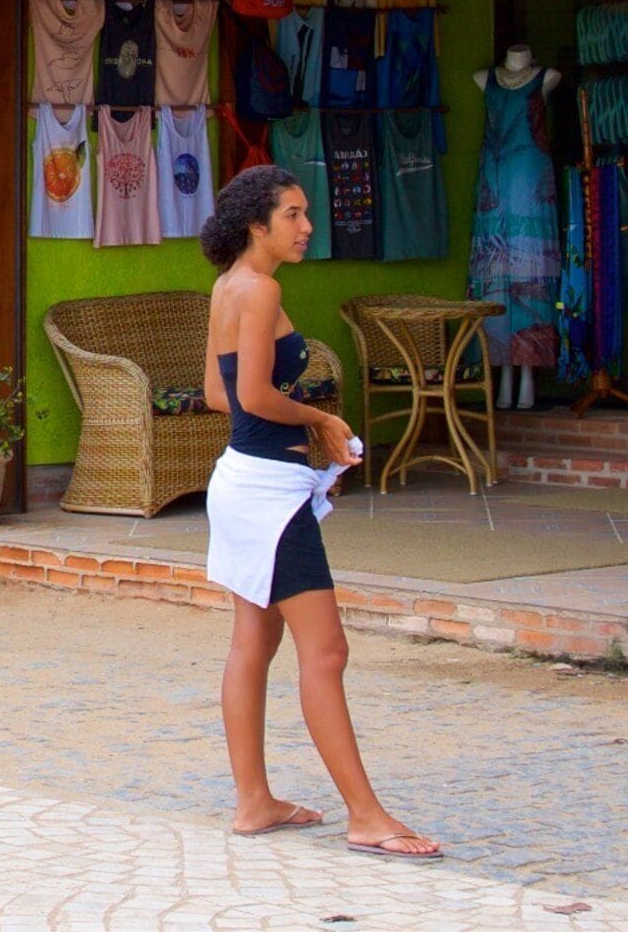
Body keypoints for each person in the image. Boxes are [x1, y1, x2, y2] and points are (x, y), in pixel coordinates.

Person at [199, 163, 435, 858]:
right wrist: (321, 421)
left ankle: (255, 803)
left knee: (253, 645)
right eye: (294, 215)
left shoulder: (229, 285)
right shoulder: (261, 288)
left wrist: (298, 440)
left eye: (306, 213)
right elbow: (253, 397)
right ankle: (366, 816)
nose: (307, 227)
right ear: (257, 225)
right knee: (326, 651)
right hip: (266, 495)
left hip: (247, 482)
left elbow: (218, 394)